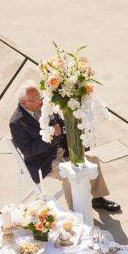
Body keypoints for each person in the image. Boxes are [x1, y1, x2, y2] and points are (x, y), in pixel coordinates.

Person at [9, 81, 120, 212]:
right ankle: (77, 214)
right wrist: (49, 135)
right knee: (70, 174)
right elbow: (28, 151)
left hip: (64, 150)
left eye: (40, 95)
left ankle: (98, 199)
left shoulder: (45, 104)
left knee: (93, 159)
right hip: (45, 161)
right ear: (23, 103)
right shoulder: (17, 122)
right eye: (36, 99)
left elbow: (61, 124)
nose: (40, 100)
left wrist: (76, 130)